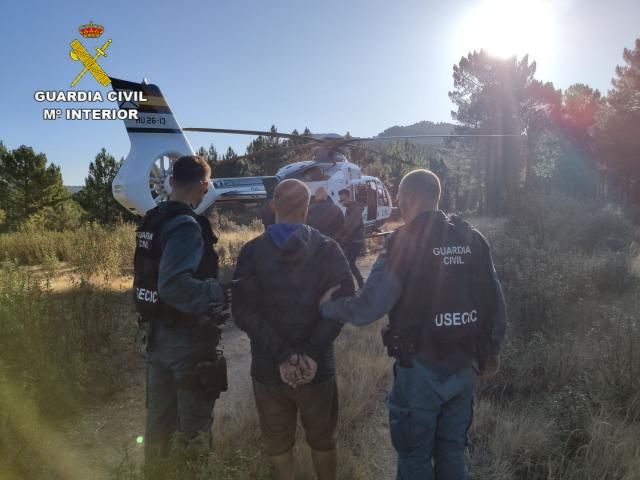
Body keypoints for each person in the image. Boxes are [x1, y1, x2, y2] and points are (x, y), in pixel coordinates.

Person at [319, 169, 507, 480]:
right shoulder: (472, 237)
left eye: (400, 200)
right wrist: (493, 352)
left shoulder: (402, 242)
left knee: (415, 456)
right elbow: (495, 300)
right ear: (437, 197)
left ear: (408, 198)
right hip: (464, 367)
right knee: (453, 450)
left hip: (420, 370)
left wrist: (329, 309)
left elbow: (369, 307)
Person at [232, 179, 355, 480]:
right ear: (308, 207)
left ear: (272, 207)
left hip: (268, 368)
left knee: (278, 444)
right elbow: (343, 306)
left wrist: (283, 355)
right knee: (323, 441)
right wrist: (311, 354)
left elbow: (243, 312)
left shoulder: (251, 252)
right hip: (319, 368)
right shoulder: (328, 248)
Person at [133, 155, 228, 475]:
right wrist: (218, 291)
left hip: (156, 337)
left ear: (171, 181)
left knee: (158, 425)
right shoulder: (186, 225)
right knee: (193, 433)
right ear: (204, 185)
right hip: (185, 342)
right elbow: (174, 286)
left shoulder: (153, 218)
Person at [336, 188, 365, 288]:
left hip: (355, 240)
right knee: (348, 263)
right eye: (341, 201)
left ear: (349, 197)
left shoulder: (355, 208)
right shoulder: (350, 208)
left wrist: (343, 238)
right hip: (352, 240)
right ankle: (360, 284)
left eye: (344, 200)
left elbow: (351, 225)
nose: (342, 203)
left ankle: (358, 285)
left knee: (348, 263)